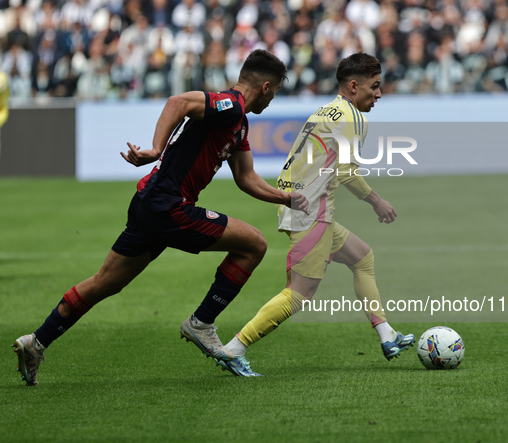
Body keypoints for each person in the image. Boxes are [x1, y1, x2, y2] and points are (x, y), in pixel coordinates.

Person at [12, 49, 308, 386]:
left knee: (104, 282)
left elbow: (246, 178)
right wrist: (155, 148)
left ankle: (36, 342)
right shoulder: (231, 104)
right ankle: (201, 323)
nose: (273, 98)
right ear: (266, 87)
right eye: (277, 91)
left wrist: (287, 198)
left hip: (150, 203)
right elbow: (177, 103)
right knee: (254, 245)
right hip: (169, 206)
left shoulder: (239, 124)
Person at [215, 52, 415, 377]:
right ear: (353, 86)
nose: (379, 94)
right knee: (299, 293)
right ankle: (234, 348)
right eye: (374, 87)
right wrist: (377, 201)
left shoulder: (328, 109)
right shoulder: (351, 117)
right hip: (311, 208)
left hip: (302, 202)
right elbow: (348, 173)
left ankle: (387, 335)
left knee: (362, 257)